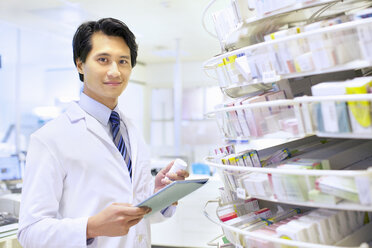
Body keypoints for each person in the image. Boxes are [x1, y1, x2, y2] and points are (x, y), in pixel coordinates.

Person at [17, 17, 189, 248]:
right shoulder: (49, 139)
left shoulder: (130, 130)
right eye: (103, 60)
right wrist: (91, 227)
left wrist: (159, 194)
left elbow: (135, 211)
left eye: (123, 61)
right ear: (80, 64)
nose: (115, 71)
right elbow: (29, 232)